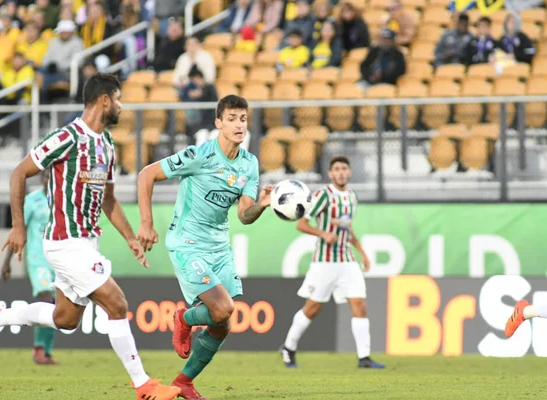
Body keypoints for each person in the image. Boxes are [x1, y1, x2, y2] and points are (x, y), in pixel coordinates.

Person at [0, 73, 181, 400]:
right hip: (64, 243)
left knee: (64, 319)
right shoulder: (66, 137)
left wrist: (129, 237)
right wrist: (18, 225)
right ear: (104, 100)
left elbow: (109, 200)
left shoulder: (107, 145)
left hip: (86, 242)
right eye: (119, 99)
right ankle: (143, 385)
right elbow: (19, 172)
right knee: (117, 303)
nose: (122, 107)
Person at [137, 95, 273, 399]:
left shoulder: (249, 164)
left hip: (219, 247)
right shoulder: (199, 155)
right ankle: (184, 318)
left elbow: (244, 215)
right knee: (224, 308)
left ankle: (184, 382)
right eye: (232, 118)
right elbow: (147, 174)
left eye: (243, 119)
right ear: (218, 123)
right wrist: (146, 223)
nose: (239, 125)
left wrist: (262, 204)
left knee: (223, 323)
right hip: (188, 244)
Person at [280, 156, 385, 369]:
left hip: (347, 260)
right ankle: (289, 347)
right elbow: (302, 224)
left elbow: (347, 227)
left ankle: (364, 358)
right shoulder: (322, 196)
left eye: (344, 169)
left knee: (360, 305)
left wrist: (362, 252)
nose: (341, 172)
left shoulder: (352, 197)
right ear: (330, 174)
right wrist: (323, 234)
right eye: (336, 169)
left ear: (349, 172)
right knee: (312, 308)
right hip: (324, 262)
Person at [1, 170, 58, 365]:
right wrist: (7, 261)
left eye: (52, 177)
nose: (49, 180)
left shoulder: (62, 201)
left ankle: (47, 351)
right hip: (37, 258)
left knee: (58, 307)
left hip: (58, 260)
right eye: (46, 177)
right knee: (46, 297)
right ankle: (39, 348)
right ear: (42, 179)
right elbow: (18, 230)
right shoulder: (32, 201)